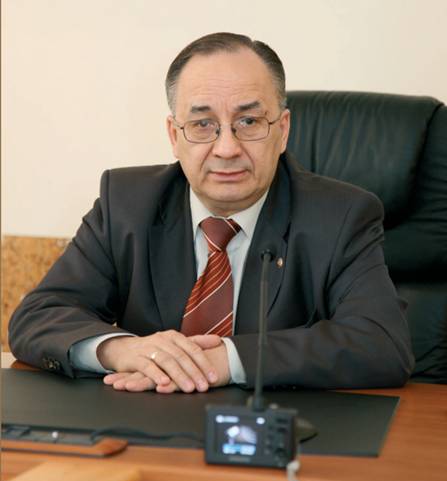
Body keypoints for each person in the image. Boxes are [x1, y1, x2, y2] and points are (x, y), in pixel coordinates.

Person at [8, 32, 414, 393]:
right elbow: (38, 316)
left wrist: (226, 360)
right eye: (203, 124)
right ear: (174, 135)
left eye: (249, 121)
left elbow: (382, 343)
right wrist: (122, 350)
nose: (226, 148)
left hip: (281, 434)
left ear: (283, 130)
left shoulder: (341, 216)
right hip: (148, 427)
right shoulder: (127, 204)